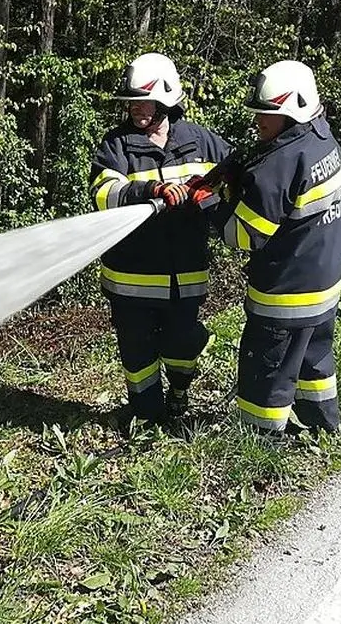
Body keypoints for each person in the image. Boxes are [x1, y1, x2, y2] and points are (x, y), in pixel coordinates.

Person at [189, 60, 341, 434]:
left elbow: (241, 234)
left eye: (268, 113)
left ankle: (260, 446)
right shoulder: (321, 137)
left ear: (293, 113)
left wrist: (206, 202)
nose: (259, 120)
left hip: (285, 297)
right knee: (315, 362)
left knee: (267, 374)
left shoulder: (279, 164)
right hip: (323, 286)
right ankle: (324, 428)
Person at [88, 52, 232, 424]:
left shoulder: (200, 141)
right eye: (132, 102)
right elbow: (104, 193)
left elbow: (235, 174)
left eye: (145, 101)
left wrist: (210, 193)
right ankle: (145, 416)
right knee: (138, 354)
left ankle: (180, 394)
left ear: (167, 99)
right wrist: (153, 188)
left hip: (186, 275)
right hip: (131, 279)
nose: (137, 109)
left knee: (182, 345)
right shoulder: (117, 145)